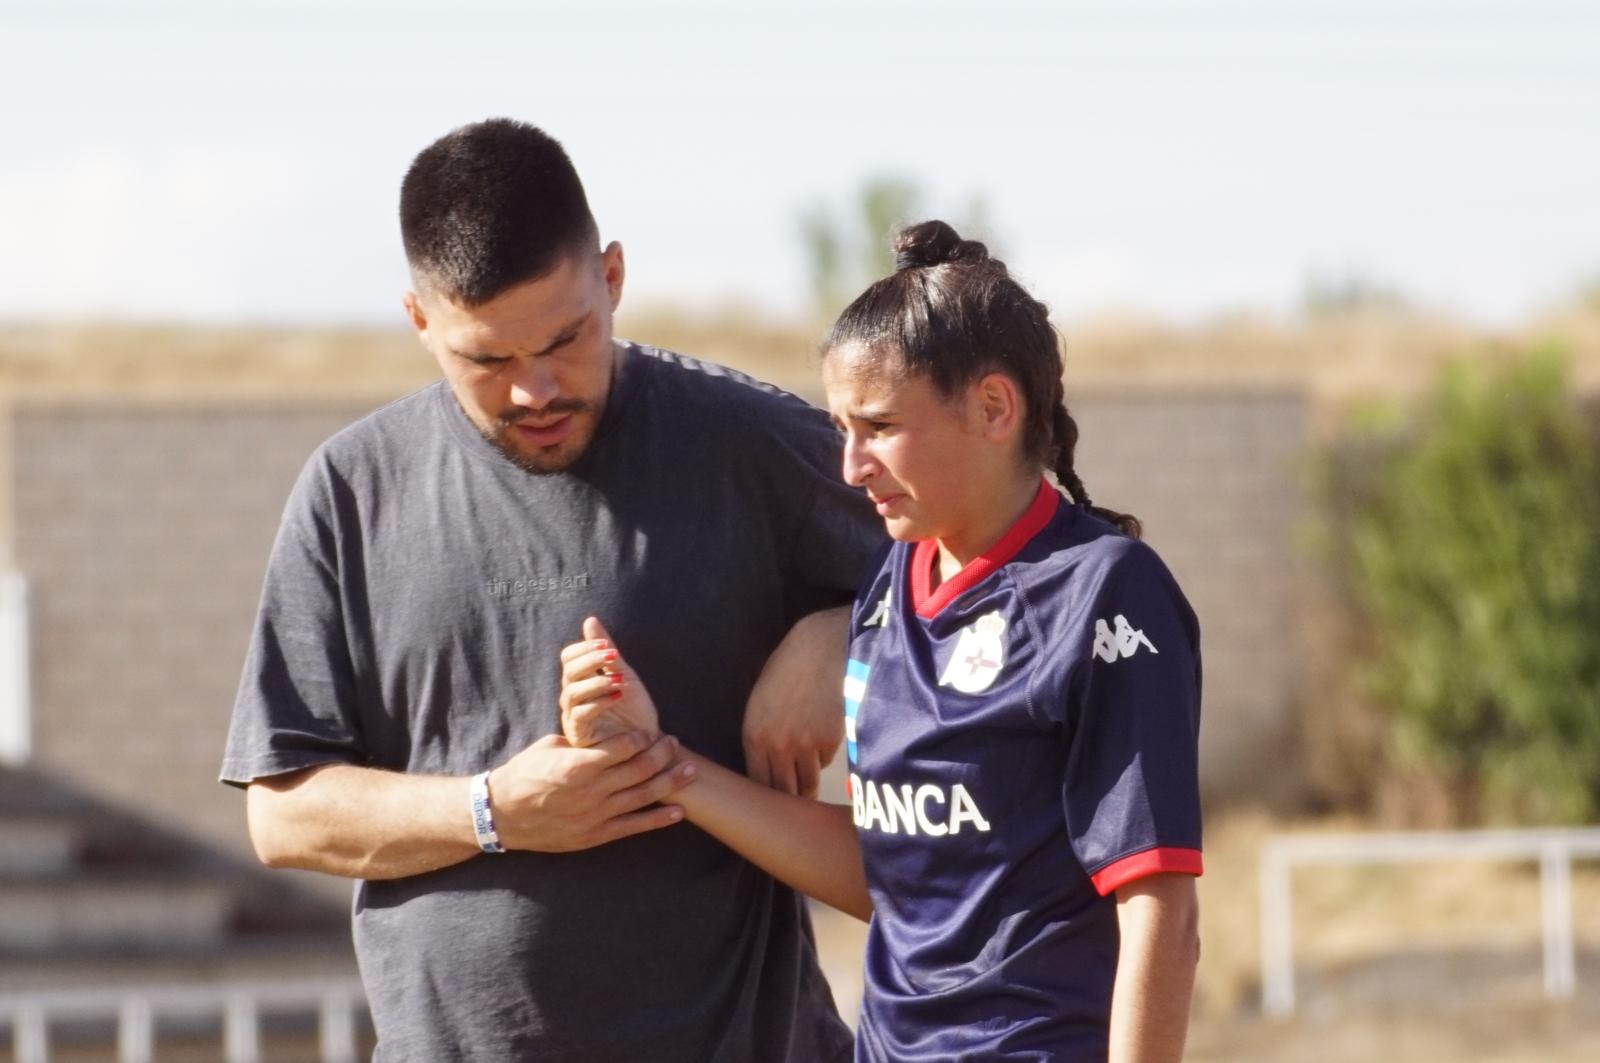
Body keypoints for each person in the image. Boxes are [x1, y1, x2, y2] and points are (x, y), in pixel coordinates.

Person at [219, 118, 885, 1062]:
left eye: (565, 339)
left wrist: (841, 634)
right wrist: (494, 810)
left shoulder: (751, 446)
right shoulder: (350, 491)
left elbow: (998, 586)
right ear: (419, 321)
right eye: (487, 360)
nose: (535, 389)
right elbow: (282, 812)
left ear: (611, 278)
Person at [561, 220, 1204, 1062]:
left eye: (880, 426)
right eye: (842, 429)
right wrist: (659, 760)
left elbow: (1160, 908)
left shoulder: (1108, 592)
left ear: (993, 407)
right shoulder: (886, 588)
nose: (851, 465)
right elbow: (894, 871)